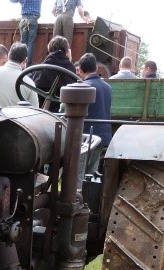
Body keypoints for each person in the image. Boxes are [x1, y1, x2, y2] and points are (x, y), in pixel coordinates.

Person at [79, 52, 112, 187]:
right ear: (96, 68)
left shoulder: (84, 87)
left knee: (78, 172)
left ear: (80, 70)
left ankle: (77, 199)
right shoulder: (107, 87)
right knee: (93, 171)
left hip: (86, 138)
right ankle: (90, 200)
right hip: (102, 135)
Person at [33, 35, 77, 112]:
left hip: (42, 114)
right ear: (66, 51)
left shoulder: (41, 69)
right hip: (63, 115)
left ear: (50, 49)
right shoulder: (71, 68)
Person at [12, 0, 41, 67]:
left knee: (23, 43)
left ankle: (20, 63)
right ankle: (28, 64)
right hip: (33, 18)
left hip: (24, 19)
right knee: (30, 42)